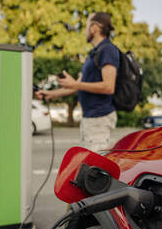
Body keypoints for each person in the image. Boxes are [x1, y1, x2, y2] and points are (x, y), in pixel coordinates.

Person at [36, 12, 119, 152]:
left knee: (95, 168)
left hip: (99, 118)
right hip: (90, 118)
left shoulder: (108, 50)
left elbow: (108, 87)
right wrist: (50, 94)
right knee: (91, 164)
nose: (85, 31)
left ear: (95, 28)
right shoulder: (94, 53)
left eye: (87, 26)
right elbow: (78, 86)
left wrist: (74, 84)